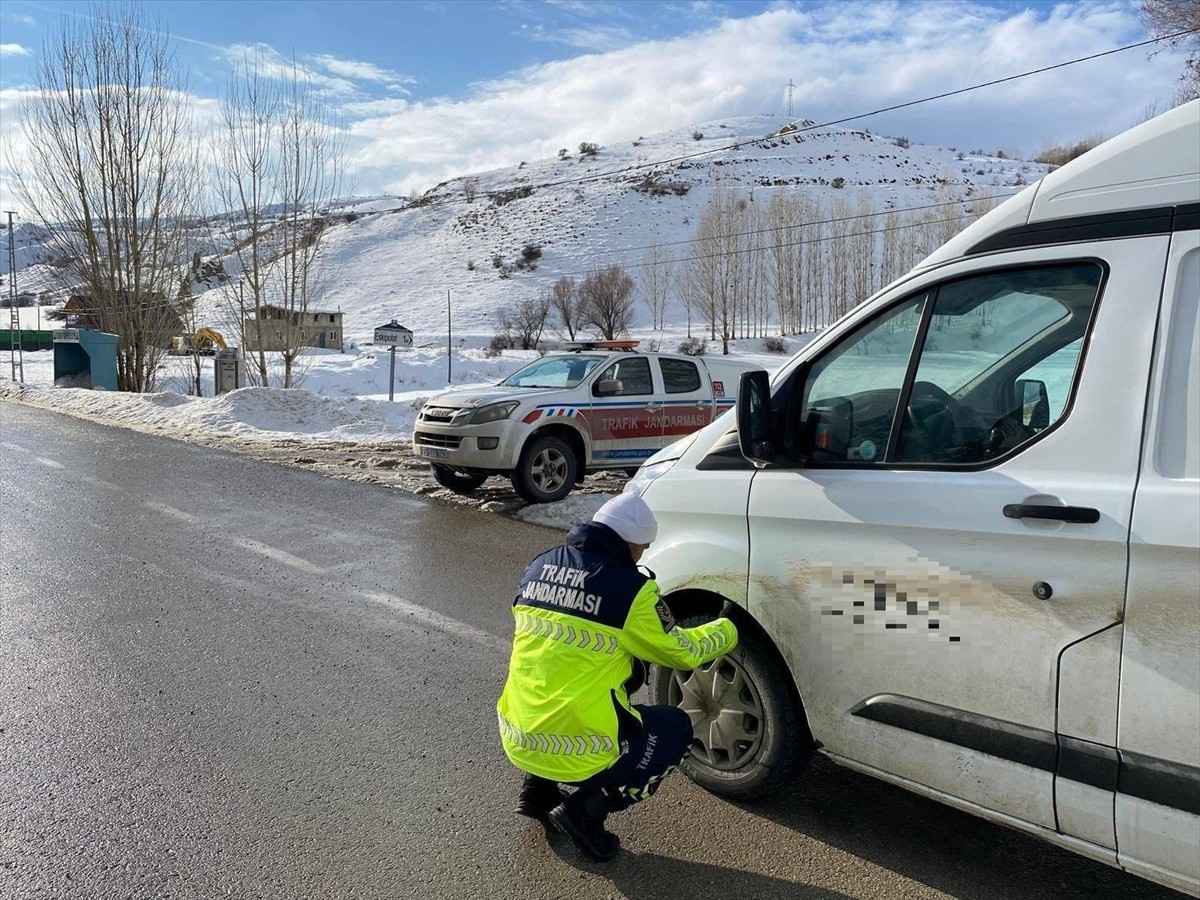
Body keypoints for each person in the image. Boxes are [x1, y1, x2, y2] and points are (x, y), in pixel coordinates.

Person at [496, 492, 739, 861]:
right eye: (642, 548)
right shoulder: (631, 590)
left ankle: (537, 790)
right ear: (629, 543)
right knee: (673, 729)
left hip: (516, 733)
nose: (642, 555)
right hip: (577, 749)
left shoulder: (540, 565)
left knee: (576, 673)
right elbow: (682, 652)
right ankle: (587, 810)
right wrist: (729, 628)